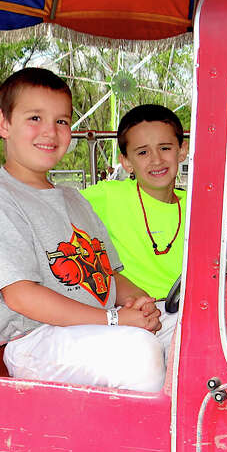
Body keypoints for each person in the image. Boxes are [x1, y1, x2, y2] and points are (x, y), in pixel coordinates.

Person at [0, 68, 167, 392]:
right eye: (35, 118)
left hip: (96, 327)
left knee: (189, 332)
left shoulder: (73, 198)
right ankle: (138, 441)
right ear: (3, 123)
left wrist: (142, 303)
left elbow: (108, 274)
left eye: (61, 121)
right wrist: (115, 322)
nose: (50, 132)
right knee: (139, 353)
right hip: (36, 341)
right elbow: (20, 296)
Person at [82, 104, 186, 304]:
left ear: (181, 151)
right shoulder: (109, 195)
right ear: (127, 162)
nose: (156, 160)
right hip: (134, 311)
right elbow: (52, 205)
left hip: (190, 308)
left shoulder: (198, 205)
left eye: (165, 148)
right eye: (143, 153)